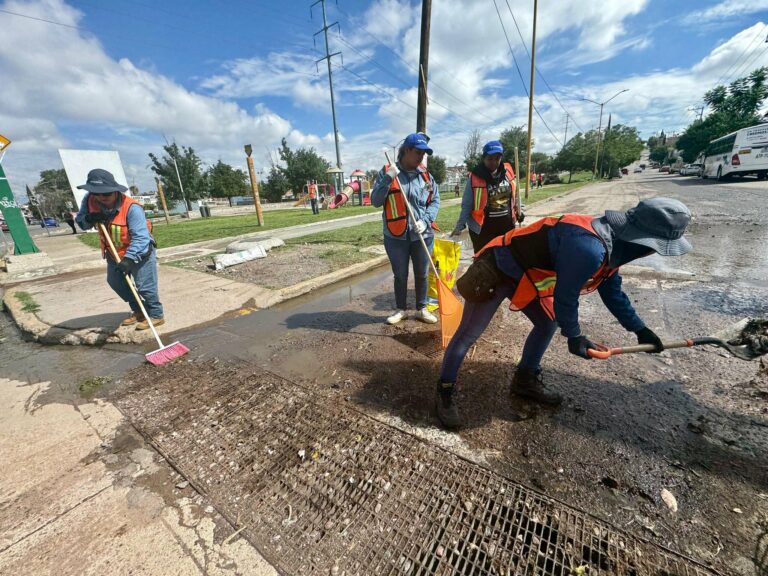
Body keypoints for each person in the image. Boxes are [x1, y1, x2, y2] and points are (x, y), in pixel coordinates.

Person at [435, 197, 692, 429]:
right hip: (497, 267)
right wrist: (575, 336)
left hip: (523, 273)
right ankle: (444, 392)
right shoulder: (589, 248)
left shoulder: (614, 246)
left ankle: (525, 381)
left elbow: (612, 292)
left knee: (547, 323)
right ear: (645, 242)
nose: (653, 252)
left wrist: (640, 329)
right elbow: (565, 297)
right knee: (469, 333)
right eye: (658, 247)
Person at [75, 168, 164, 330]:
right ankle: (139, 311)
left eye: (106, 194)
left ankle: (156, 315)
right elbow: (81, 222)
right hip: (113, 251)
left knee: (145, 286)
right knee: (117, 282)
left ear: (115, 191)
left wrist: (129, 259)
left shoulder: (132, 208)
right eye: (97, 194)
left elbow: (141, 238)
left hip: (140, 251)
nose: (101, 198)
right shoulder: (90, 201)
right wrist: (89, 218)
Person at [372, 132, 440, 325]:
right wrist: (388, 178)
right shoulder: (388, 171)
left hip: (422, 234)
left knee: (422, 273)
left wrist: (425, 221)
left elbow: (435, 200)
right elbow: (376, 201)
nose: (421, 157)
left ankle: (421, 309)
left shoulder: (425, 175)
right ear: (407, 151)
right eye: (418, 152)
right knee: (400, 275)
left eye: (424, 153)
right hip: (395, 236)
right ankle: (400, 309)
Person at [451, 140, 523, 252]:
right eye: (490, 158)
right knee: (483, 260)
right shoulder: (475, 177)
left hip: (507, 225)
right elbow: (467, 205)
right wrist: (460, 225)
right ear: (484, 158)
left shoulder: (508, 172)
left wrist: (520, 210)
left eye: (497, 158)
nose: (494, 162)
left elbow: (515, 196)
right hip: (483, 229)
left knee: (506, 257)